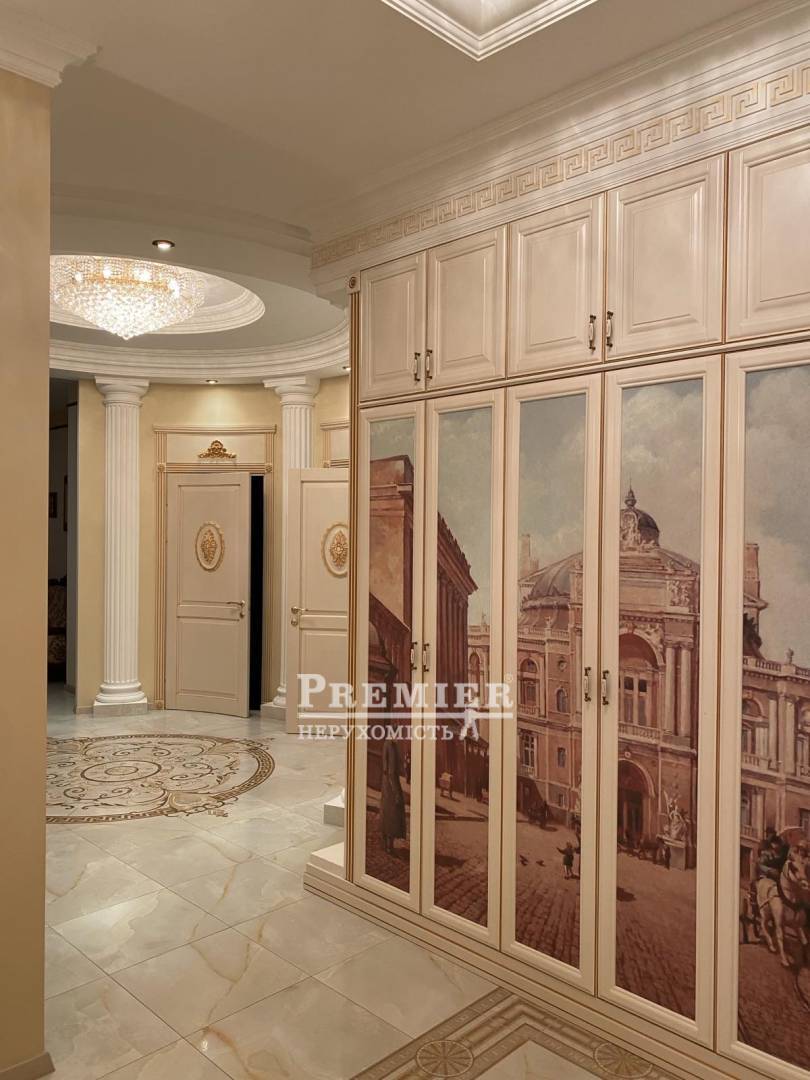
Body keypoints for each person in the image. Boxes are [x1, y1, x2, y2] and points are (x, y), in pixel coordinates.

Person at [380, 737, 406, 856]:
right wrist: (396, 793)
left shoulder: (386, 743)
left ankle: (385, 844)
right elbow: (391, 771)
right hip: (391, 785)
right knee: (393, 815)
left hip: (385, 784)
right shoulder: (392, 746)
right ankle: (389, 846)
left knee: (386, 813)